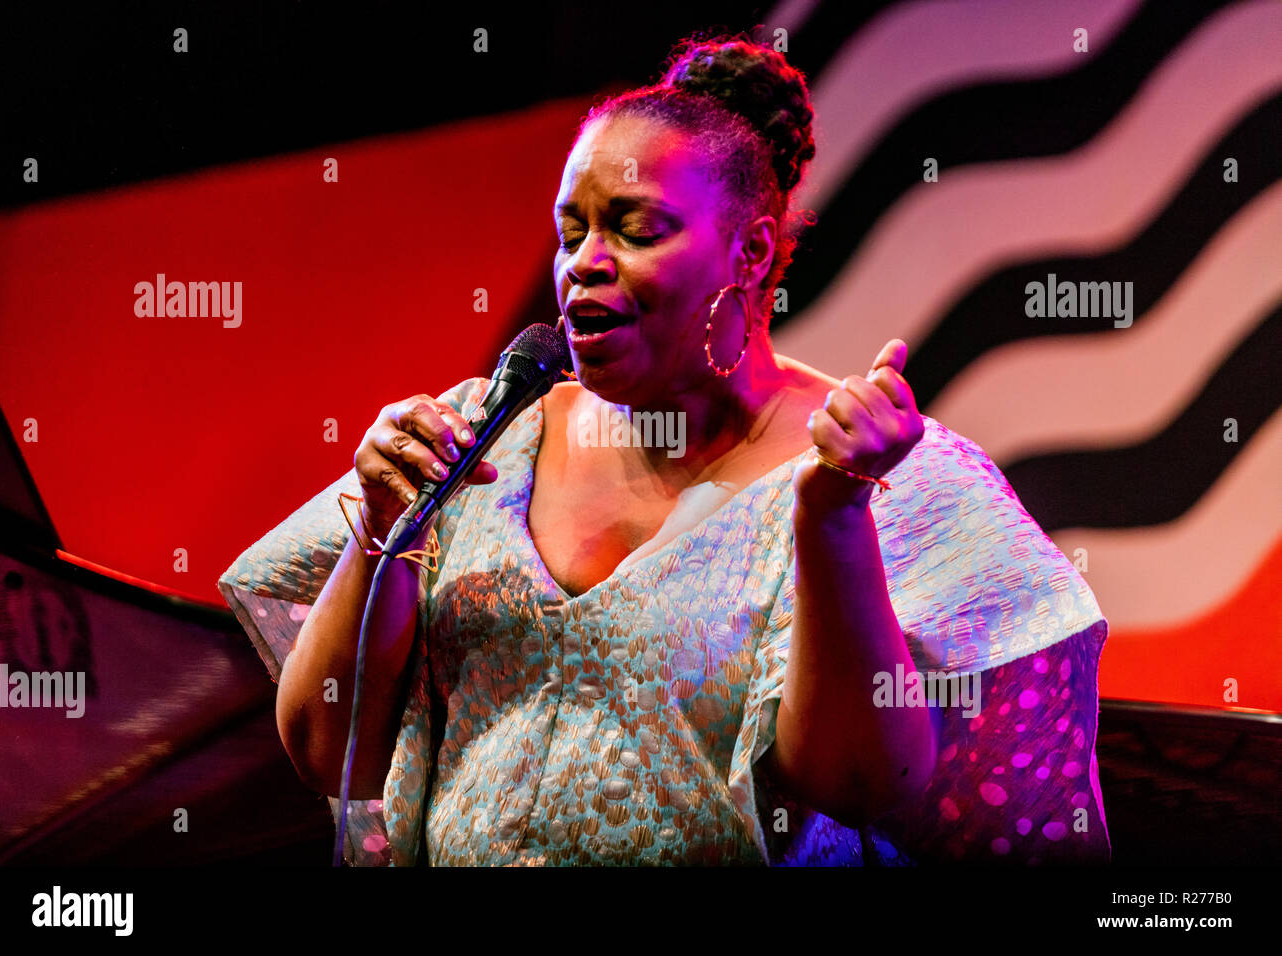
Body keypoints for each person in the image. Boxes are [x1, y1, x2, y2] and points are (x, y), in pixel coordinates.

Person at [228, 34, 1110, 866]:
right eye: (571, 231)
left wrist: (833, 519)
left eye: (635, 230)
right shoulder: (478, 437)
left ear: (752, 251)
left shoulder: (884, 476)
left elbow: (861, 785)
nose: (582, 263)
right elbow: (323, 750)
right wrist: (383, 523)